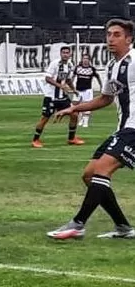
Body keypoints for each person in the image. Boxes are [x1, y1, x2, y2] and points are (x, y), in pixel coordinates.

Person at [47, 19, 135, 240]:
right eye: (108, 34)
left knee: (102, 169)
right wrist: (75, 107)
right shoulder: (113, 66)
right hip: (123, 128)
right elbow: (106, 99)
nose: (111, 39)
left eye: (117, 34)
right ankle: (123, 227)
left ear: (129, 39)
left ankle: (77, 224)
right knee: (89, 175)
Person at [32, 46, 82, 148]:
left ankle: (71, 138)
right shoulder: (55, 64)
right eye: (63, 52)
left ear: (70, 54)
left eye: (67, 52)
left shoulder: (70, 65)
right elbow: (47, 78)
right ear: (60, 54)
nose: (65, 54)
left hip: (62, 97)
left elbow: (68, 79)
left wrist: (74, 89)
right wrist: (60, 86)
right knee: (45, 118)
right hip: (51, 97)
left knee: (74, 114)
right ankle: (35, 140)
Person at [72, 53, 101, 128]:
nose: (85, 60)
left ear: (89, 60)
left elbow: (98, 77)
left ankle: (86, 122)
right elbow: (72, 77)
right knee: (76, 106)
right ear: (82, 59)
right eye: (84, 58)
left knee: (87, 106)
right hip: (78, 90)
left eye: (87, 59)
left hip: (87, 90)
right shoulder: (78, 68)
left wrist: (101, 86)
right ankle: (80, 119)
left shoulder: (92, 69)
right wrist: (71, 86)